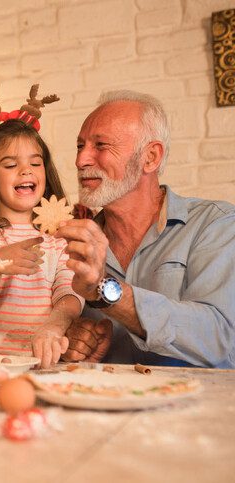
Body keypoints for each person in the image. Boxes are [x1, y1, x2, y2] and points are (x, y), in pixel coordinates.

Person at [57, 90, 235, 368]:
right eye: (80, 146)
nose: (81, 161)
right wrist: (76, 341)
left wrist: (105, 290)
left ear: (150, 157)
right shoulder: (73, 243)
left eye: (100, 145)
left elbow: (221, 339)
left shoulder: (215, 225)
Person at [0, 113, 84, 368]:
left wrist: (53, 327)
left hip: (44, 364)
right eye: (11, 164)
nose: (26, 170)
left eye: (35, 164)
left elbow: (69, 295)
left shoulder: (58, 239)